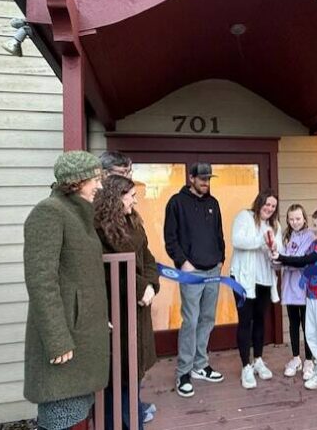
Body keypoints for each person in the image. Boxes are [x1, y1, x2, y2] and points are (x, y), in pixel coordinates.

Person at [23, 151, 109, 430]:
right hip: (65, 340)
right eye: (95, 179)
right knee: (59, 418)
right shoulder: (49, 212)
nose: (100, 185)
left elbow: (80, 279)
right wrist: (57, 339)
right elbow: (41, 280)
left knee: (76, 413)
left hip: (82, 333)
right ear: (75, 182)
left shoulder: (78, 214)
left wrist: (96, 316)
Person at [94, 175, 161, 428]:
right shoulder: (99, 228)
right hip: (115, 309)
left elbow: (149, 257)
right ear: (115, 197)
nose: (135, 200)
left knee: (133, 374)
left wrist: (152, 286)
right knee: (116, 376)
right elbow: (110, 270)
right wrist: (141, 287)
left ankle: (133, 419)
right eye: (131, 195)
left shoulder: (134, 222)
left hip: (139, 308)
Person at [164, 162, 226, 397]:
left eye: (209, 179)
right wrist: (183, 263)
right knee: (190, 320)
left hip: (213, 271)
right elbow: (170, 238)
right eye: (202, 179)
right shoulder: (176, 202)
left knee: (207, 319)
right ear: (191, 178)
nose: (206, 183)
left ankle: (200, 365)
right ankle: (184, 372)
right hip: (191, 272)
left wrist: (221, 258)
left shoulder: (213, 203)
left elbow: (219, 234)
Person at [272, 208, 317, 397]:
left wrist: (281, 257)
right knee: (312, 335)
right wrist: (278, 256)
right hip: (311, 296)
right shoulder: (314, 243)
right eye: (315, 225)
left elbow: (307, 259)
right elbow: (299, 260)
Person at [230, 189, 282, 389]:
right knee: (245, 320)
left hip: (264, 279)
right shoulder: (245, 217)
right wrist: (261, 241)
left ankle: (258, 359)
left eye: (273, 206)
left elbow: (279, 254)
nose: (269, 208)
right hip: (243, 279)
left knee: (260, 320)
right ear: (259, 202)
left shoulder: (275, 225)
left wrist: (275, 252)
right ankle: (246, 366)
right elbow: (237, 240)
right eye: (267, 204)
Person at [281, 204, 316, 379]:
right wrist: (283, 259)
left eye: (298, 218)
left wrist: (284, 260)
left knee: (306, 324)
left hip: (304, 286)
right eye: (291, 219)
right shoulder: (286, 236)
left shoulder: (310, 236)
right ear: (287, 220)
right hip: (289, 286)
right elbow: (281, 259)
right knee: (293, 323)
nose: (295, 222)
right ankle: (296, 358)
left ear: (304, 219)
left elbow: (301, 259)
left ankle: (309, 360)